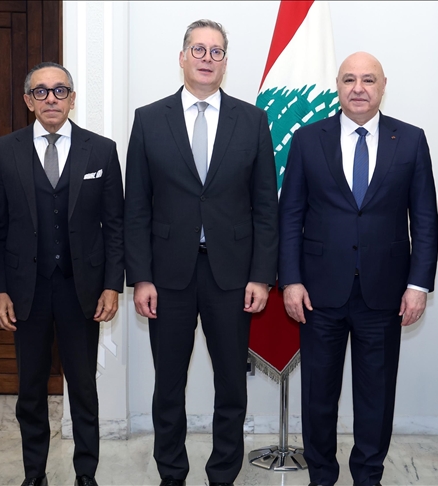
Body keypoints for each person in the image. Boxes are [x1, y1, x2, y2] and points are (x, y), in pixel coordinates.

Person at [124, 20, 278, 486]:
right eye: (198, 49)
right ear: (182, 57)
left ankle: (222, 475)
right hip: (166, 277)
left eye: (216, 51)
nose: (207, 58)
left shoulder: (252, 120)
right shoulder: (149, 119)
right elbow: (137, 206)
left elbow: (265, 206)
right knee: (168, 385)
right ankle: (172, 474)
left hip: (232, 276)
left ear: (225, 62)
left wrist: (261, 275)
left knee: (231, 385)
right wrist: (141, 277)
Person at [278, 51, 438, 486]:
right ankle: (322, 477)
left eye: (368, 80)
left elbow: (425, 219)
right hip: (318, 292)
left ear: (383, 86)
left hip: (385, 293)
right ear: (338, 86)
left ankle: (368, 477)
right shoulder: (308, 139)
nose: (359, 88)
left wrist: (419, 284)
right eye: (349, 79)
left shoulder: (410, 140)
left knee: (376, 398)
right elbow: (290, 215)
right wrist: (290, 280)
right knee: (318, 396)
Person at [0, 62, 124, 486]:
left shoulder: (101, 150)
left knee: (83, 387)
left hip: (81, 289)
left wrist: (112, 285)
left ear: (72, 98)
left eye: (60, 90)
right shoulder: (3, 150)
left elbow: (115, 225)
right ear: (28, 100)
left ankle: (86, 473)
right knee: (30, 389)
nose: (51, 98)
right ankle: (35, 475)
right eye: (41, 91)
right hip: (25, 290)